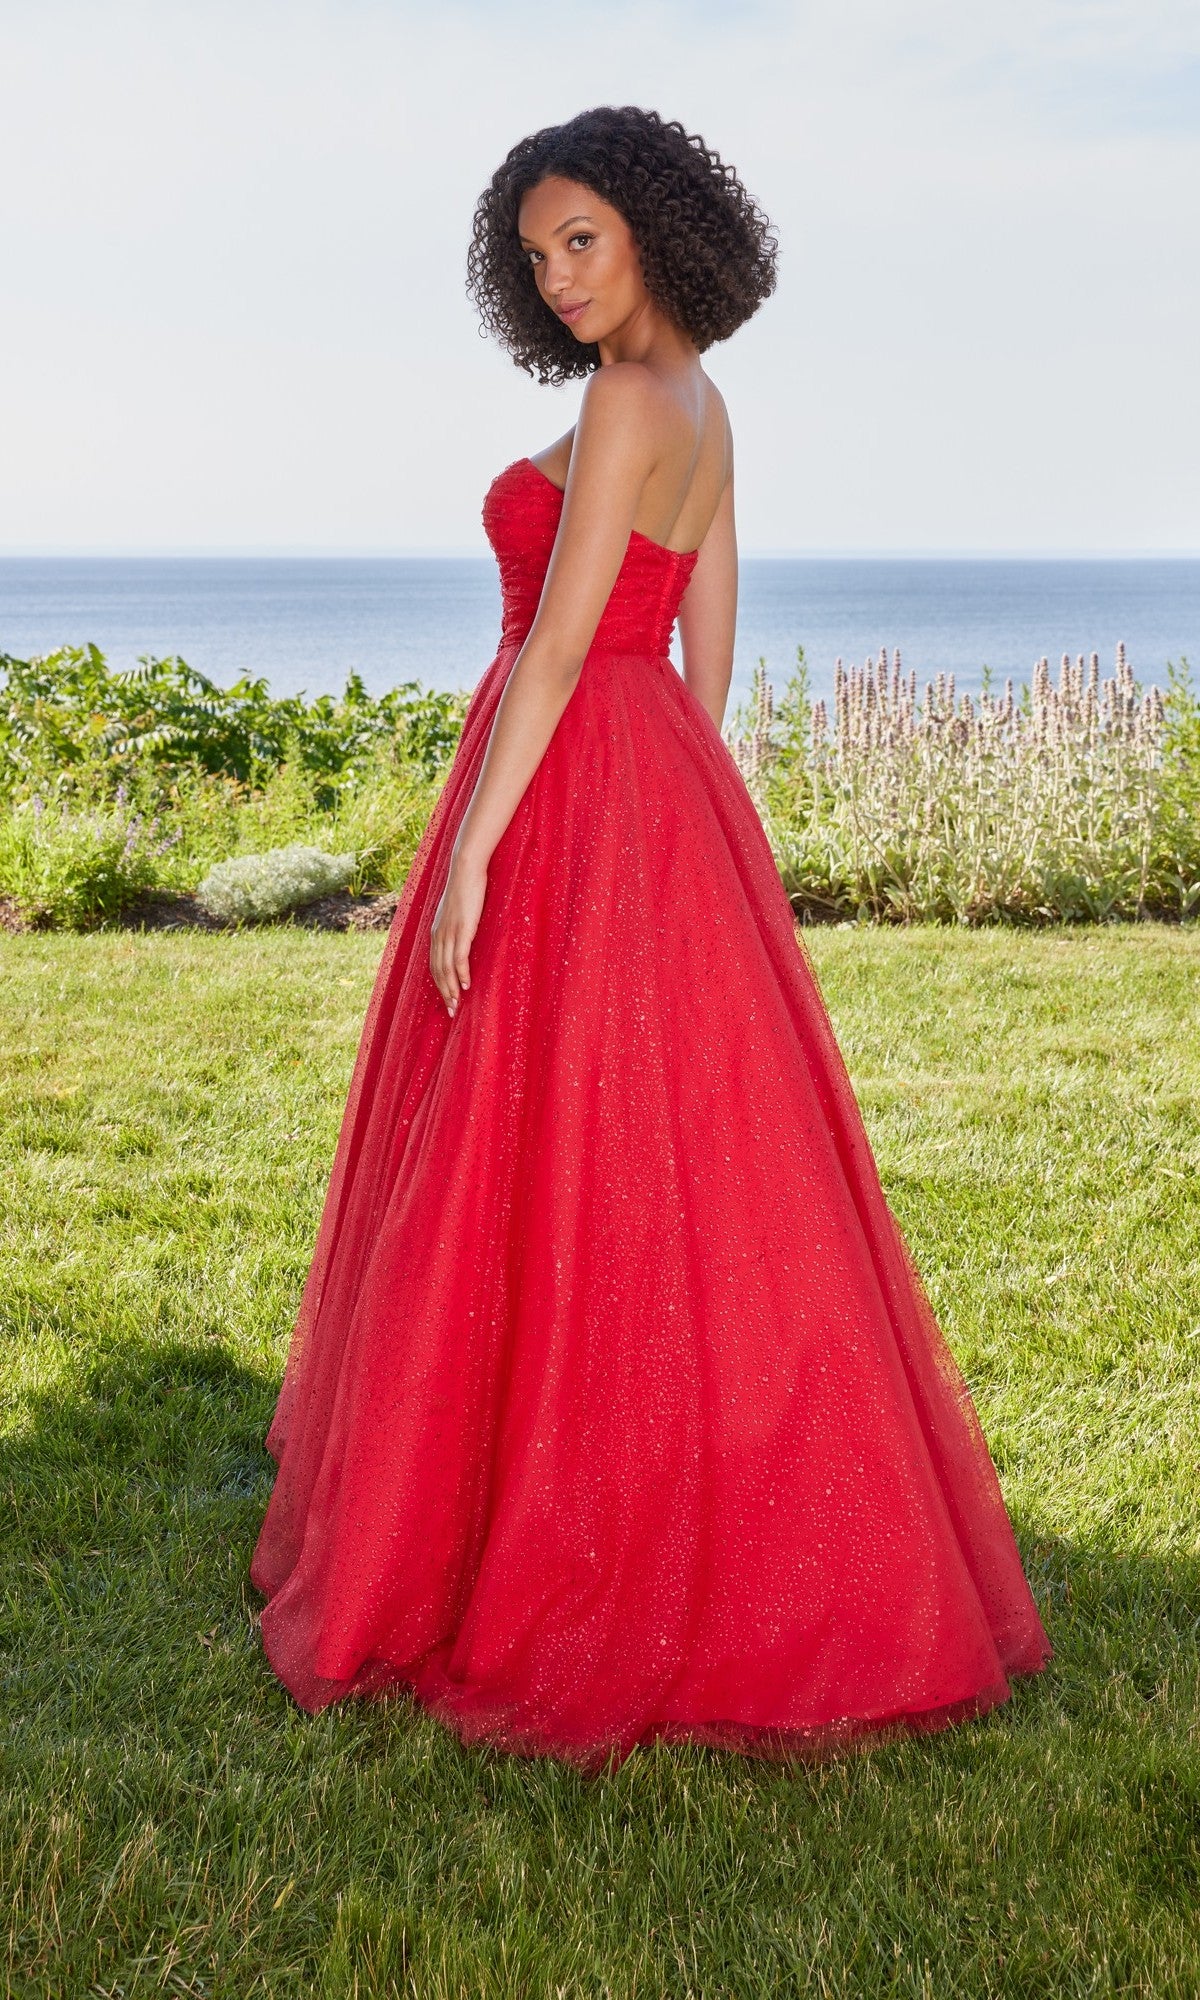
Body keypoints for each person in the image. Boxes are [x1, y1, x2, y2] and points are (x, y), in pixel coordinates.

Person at [250, 104, 1051, 1771]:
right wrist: (687, 822)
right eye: (536, 255)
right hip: (651, 777)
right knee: (651, 1153)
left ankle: (511, 1525)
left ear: (662, 232)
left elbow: (552, 651)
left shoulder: (629, 398)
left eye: (583, 242)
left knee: (520, 1146)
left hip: (559, 772)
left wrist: (470, 862)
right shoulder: (707, 403)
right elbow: (711, 637)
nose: (556, 280)